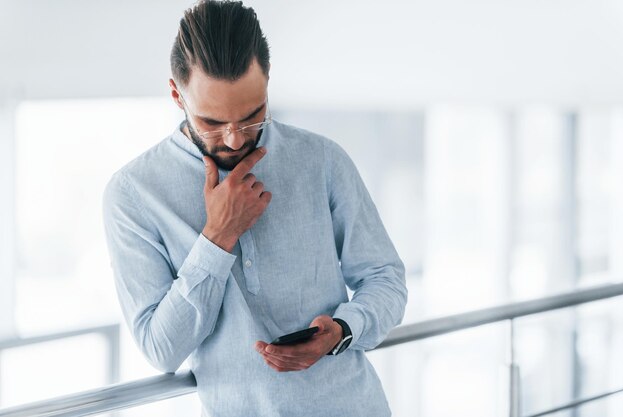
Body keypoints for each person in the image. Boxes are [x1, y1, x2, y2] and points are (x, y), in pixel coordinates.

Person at [102, 1, 407, 416]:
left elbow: (385, 278)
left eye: (251, 116)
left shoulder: (322, 159)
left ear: (267, 83)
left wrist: (343, 329)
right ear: (177, 95)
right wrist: (218, 237)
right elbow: (161, 348)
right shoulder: (134, 194)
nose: (233, 139)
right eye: (212, 122)